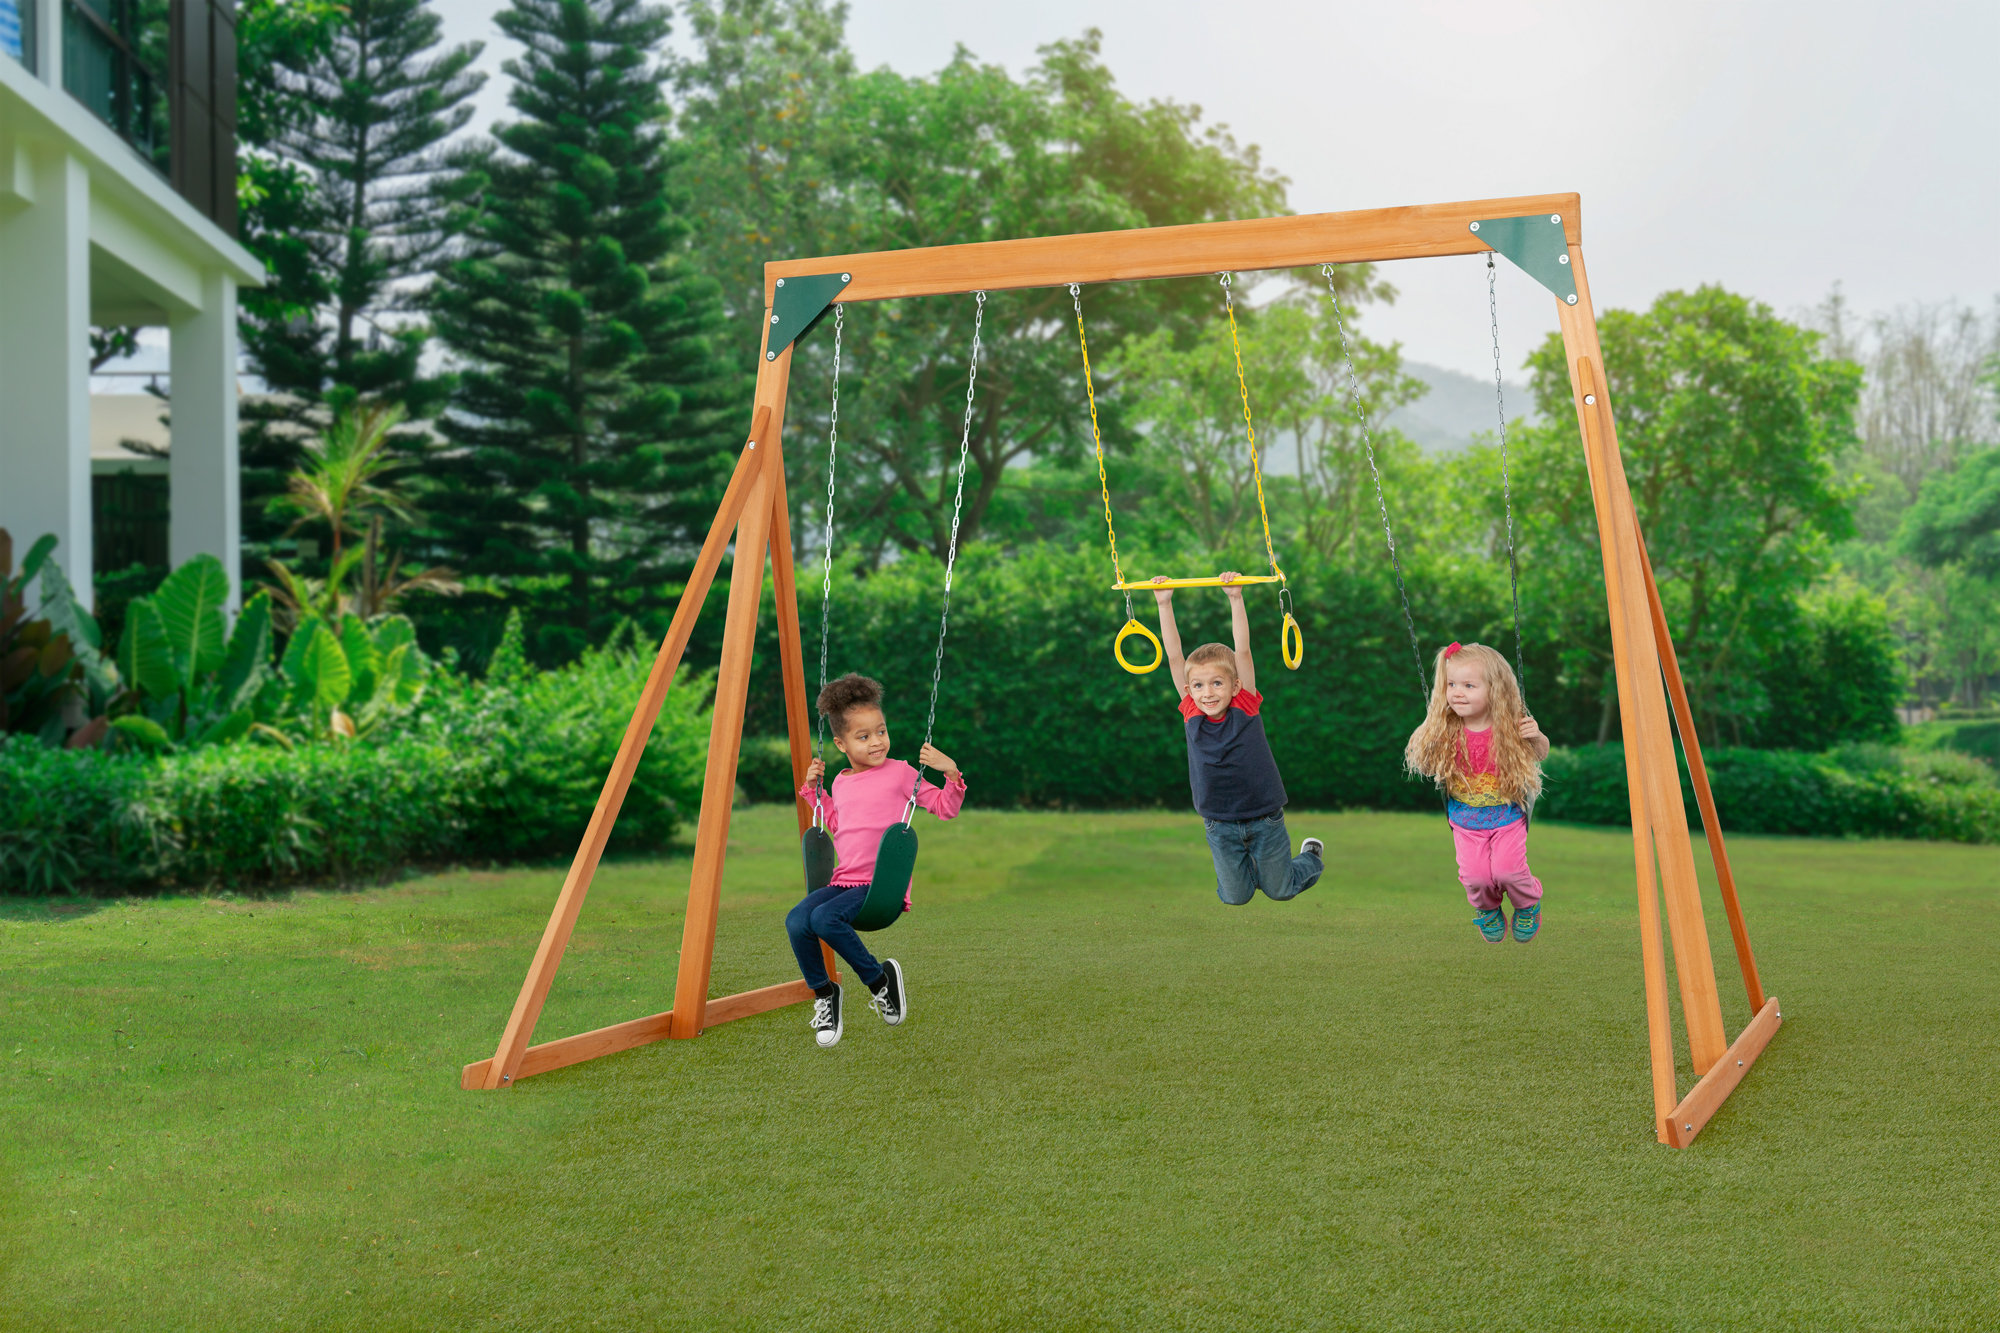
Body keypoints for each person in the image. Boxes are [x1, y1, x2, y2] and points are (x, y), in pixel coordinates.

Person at [789, 673, 965, 1048]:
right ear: (841, 744)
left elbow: (945, 808)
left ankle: (879, 981)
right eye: (864, 736)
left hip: (881, 886)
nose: (876, 742)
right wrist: (814, 790)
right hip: (844, 881)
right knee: (797, 920)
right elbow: (839, 825)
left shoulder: (900, 773)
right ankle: (825, 993)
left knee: (824, 918)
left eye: (881, 732)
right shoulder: (841, 782)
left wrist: (950, 772)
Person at [1150, 573, 1324, 906]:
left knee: (1280, 890)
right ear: (1189, 691)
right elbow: (1174, 658)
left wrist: (1235, 598)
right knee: (1235, 896)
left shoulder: (1245, 706)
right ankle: (1255, 873)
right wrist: (1164, 603)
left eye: (1217, 683)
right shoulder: (1192, 712)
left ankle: (1310, 857)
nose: (1207, 692)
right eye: (1198, 685)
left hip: (1264, 817)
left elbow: (1242, 651)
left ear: (1235, 686)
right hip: (1219, 823)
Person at [1404, 641, 1549, 943]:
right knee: (1475, 877)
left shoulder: (1508, 725)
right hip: (1465, 820)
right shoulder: (1445, 728)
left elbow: (1539, 754)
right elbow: (1427, 767)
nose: (1457, 692)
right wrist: (1428, 744)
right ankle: (1487, 909)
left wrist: (1535, 736)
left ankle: (1527, 904)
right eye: (1452, 684)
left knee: (1509, 871)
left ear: (1495, 689)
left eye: (1469, 685)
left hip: (1507, 816)